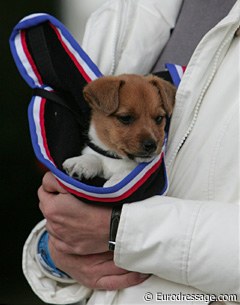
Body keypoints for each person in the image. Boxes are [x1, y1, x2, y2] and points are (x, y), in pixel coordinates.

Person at [22, 0, 240, 304]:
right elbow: (73, 217)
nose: (150, 137)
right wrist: (52, 249)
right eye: (127, 119)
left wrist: (122, 231)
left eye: (158, 119)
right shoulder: (126, 7)